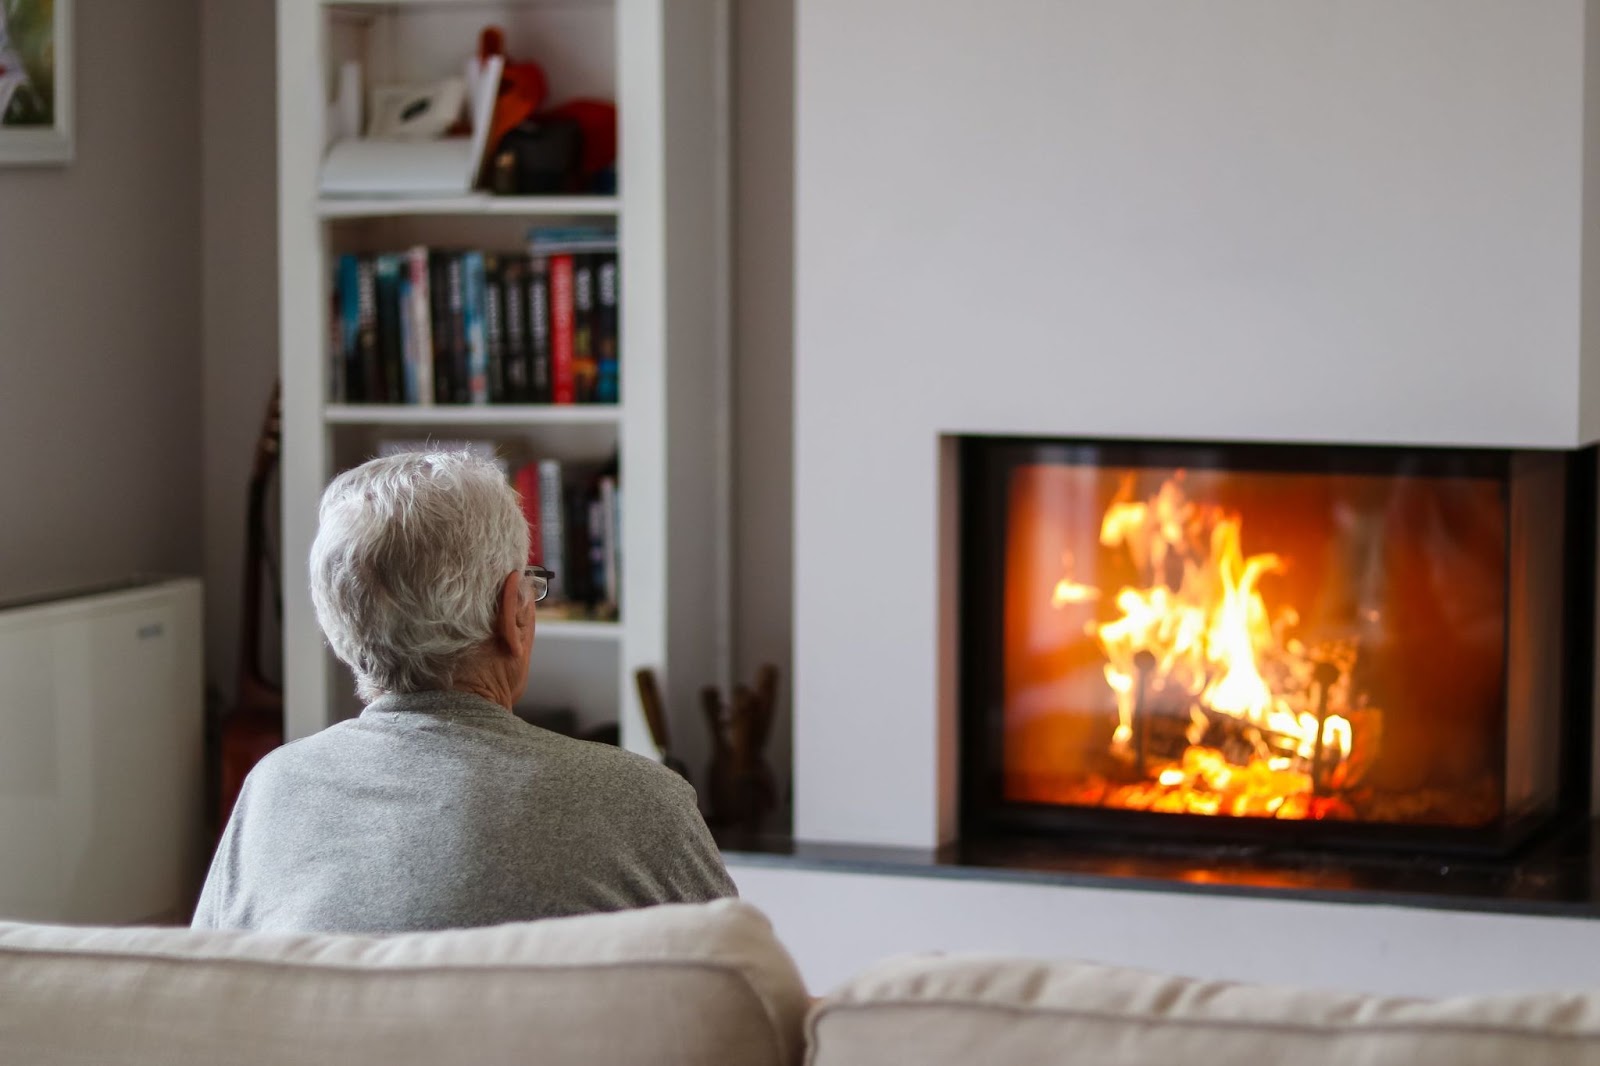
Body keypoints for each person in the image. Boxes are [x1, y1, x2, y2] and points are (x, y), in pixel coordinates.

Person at [193, 450, 735, 933]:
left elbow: (208, 994)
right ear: (511, 612)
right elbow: (737, 1007)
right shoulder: (639, 802)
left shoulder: (273, 790)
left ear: (338, 623)